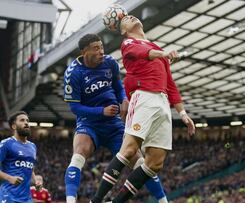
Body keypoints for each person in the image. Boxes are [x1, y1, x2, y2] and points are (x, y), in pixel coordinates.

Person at [91, 15, 195, 203]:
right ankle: (96, 200)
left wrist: (183, 113)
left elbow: (170, 84)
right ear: (123, 31)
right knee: (129, 149)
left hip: (163, 103)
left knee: (155, 163)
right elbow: (141, 53)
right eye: (125, 20)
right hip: (144, 97)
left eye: (131, 16)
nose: (130, 17)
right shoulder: (128, 43)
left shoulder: (156, 48)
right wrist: (164, 54)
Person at [64, 34, 169, 203]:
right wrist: (101, 111)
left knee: (140, 162)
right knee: (79, 153)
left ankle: (163, 200)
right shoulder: (73, 73)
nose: (101, 52)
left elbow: (118, 87)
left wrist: (124, 99)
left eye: (102, 47)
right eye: (96, 48)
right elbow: (74, 107)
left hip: (114, 124)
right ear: (84, 52)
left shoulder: (110, 63)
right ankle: (70, 200)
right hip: (89, 123)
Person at [0, 111, 42, 203]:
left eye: (27, 121)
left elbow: (30, 167)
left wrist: (35, 180)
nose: (26, 123)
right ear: (14, 126)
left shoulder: (33, 146)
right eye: (22, 120)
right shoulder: (6, 143)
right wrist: (10, 178)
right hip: (9, 196)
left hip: (26, 199)